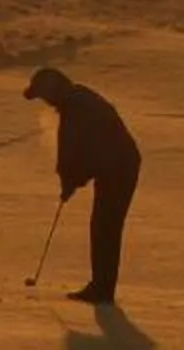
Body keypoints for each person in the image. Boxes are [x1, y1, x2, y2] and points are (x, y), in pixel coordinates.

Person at [25, 65, 141, 304]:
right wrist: (71, 179)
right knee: (104, 226)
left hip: (119, 167)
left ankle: (102, 289)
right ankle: (101, 286)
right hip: (115, 166)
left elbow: (83, 151)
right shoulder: (75, 102)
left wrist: (71, 181)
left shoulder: (77, 107)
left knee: (105, 226)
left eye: (43, 95)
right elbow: (76, 152)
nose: (45, 102)